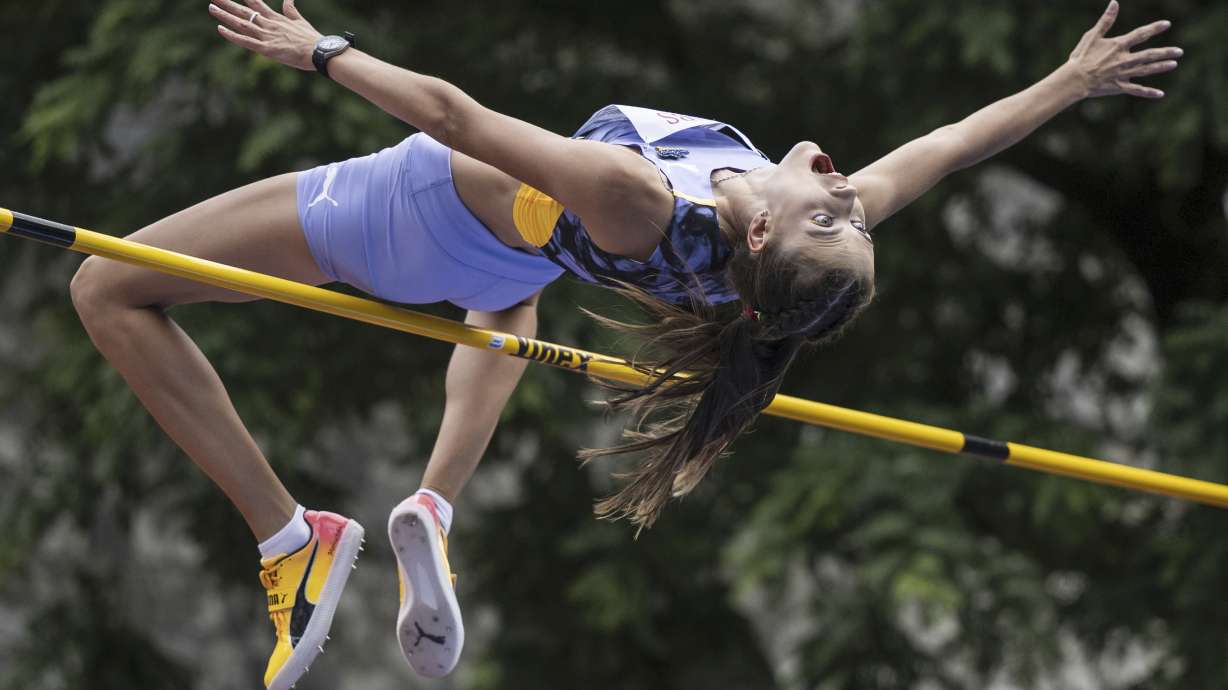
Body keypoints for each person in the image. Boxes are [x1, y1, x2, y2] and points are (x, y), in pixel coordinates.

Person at [65, 0, 1180, 686]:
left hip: (404, 213)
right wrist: (1070, 82)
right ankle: (433, 504)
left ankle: (287, 535)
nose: (848, 191)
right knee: (504, 320)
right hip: (504, 267)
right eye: (852, 213)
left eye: (834, 212)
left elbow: (450, 114)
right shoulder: (774, 249)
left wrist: (318, 49)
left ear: (758, 231)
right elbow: (946, 145)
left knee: (107, 288)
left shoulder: (634, 193)